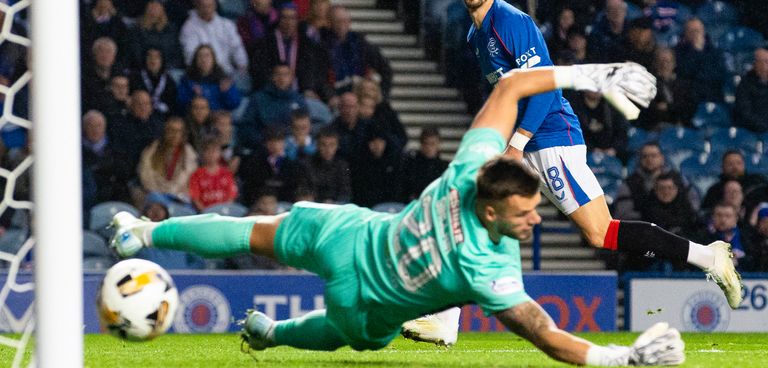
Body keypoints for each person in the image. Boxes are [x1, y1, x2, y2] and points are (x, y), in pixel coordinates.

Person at [110, 62, 687, 365]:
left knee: (246, 232)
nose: (534, 220)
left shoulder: (468, 168)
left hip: (345, 235)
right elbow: (548, 336)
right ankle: (271, 335)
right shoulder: (489, 271)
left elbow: (512, 87)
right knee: (348, 339)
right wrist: (623, 359)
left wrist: (591, 75)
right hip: (365, 305)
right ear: (490, 210)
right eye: (523, 213)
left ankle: (143, 230)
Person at [406, 0, 744, 345]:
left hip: (551, 138)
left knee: (600, 233)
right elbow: (510, 94)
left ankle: (708, 257)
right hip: (528, 140)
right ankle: (447, 319)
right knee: (473, 212)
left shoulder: (511, 22)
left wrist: (516, 144)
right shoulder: (474, 34)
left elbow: (546, 88)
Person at [179, 0, 249, 79]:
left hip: (227, 72)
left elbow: (237, 47)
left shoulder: (226, 25)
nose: (207, 9)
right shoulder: (188, 28)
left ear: (215, 6)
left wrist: (242, 65)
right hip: (202, 75)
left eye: (210, 5)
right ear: (197, 7)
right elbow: (190, 56)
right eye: (203, 6)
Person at [189, 139, 239, 211]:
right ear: (203, 153)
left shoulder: (226, 174)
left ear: (220, 153)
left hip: (224, 212)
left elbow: (231, 196)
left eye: (214, 151)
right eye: (208, 151)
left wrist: (225, 210)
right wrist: (205, 212)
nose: (211, 154)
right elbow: (195, 198)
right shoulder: (196, 174)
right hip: (205, 212)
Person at [733, 48, 768, 134]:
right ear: (755, 64)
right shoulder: (745, 84)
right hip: (754, 130)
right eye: (763, 62)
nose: (765, 65)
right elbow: (745, 113)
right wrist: (764, 126)